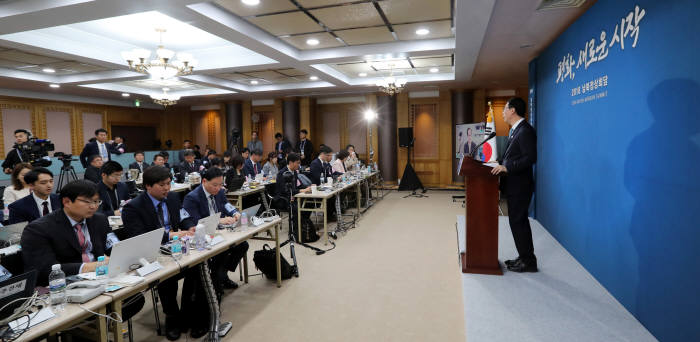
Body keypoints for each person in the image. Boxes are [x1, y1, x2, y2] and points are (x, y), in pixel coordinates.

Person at [20, 180, 144, 318]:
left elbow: (111, 246)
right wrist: (88, 267)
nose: (93, 206)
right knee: (101, 309)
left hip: (102, 279)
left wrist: (124, 256)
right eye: (88, 202)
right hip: (66, 289)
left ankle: (106, 329)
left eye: (97, 202)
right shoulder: (39, 229)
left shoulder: (99, 219)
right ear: (67, 202)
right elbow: (44, 269)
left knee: (135, 297)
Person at [121, 166, 208, 340]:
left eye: (168, 183)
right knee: (167, 277)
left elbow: (183, 216)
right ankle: (172, 317)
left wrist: (190, 226)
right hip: (151, 255)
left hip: (177, 248)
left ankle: (187, 313)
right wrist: (169, 234)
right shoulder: (133, 208)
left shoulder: (173, 198)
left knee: (199, 267)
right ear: (147, 186)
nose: (167, 188)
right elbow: (139, 237)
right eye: (162, 185)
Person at [491, 97, 537, 273]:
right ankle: (524, 257)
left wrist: (506, 166)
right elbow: (514, 156)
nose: (502, 112)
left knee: (519, 222)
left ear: (512, 110)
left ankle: (529, 261)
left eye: (504, 109)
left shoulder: (525, 131)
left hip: (520, 186)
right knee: (517, 222)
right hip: (514, 185)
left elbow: (530, 158)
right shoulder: (515, 131)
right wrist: (499, 162)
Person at [182, 167, 246, 292]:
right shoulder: (192, 197)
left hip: (221, 231)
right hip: (204, 236)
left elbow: (227, 205)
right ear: (204, 181)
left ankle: (222, 275)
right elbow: (195, 222)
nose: (218, 188)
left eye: (220, 185)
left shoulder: (220, 192)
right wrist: (218, 221)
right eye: (214, 185)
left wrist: (235, 213)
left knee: (242, 245)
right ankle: (215, 280)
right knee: (220, 253)